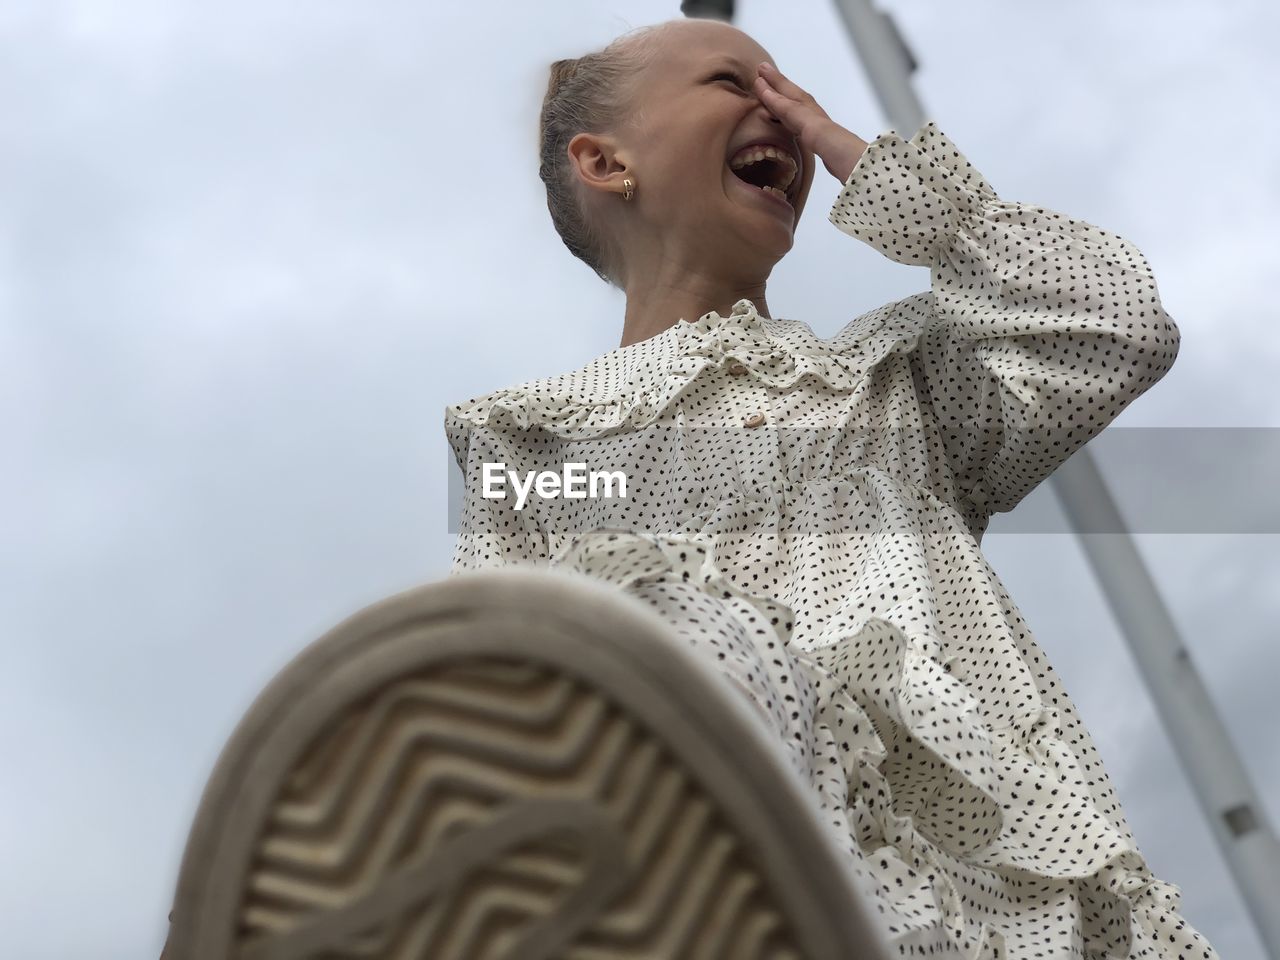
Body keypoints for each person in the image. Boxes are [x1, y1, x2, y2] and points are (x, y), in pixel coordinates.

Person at [162, 15, 1220, 960]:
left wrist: (865, 162)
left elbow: (1107, 325)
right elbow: (503, 675)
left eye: (790, 96)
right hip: (659, 858)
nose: (782, 110)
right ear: (604, 162)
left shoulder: (891, 390)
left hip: (962, 893)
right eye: (735, 83)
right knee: (638, 639)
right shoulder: (532, 436)